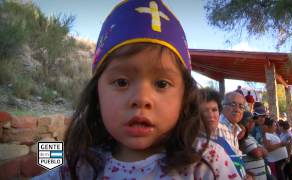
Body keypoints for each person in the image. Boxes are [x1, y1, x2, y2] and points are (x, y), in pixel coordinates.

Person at [33, 0, 241, 179]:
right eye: (122, 82)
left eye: (161, 84)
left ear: (184, 97)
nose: (141, 98)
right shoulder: (82, 166)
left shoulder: (206, 162)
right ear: (97, 94)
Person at [239, 111, 267, 180]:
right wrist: (260, 148)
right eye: (248, 121)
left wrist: (260, 149)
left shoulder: (251, 137)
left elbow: (266, 153)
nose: (252, 124)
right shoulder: (243, 138)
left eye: (253, 121)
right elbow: (257, 154)